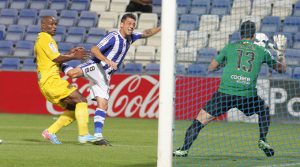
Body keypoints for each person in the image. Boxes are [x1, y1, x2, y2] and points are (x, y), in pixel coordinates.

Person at [173, 21, 287, 157]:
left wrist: (225, 63)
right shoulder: (261, 51)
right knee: (264, 110)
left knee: (199, 120)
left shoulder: (230, 47)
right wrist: (280, 53)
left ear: (240, 33)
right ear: (254, 35)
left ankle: (184, 149)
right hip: (247, 95)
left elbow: (212, 67)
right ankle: (263, 139)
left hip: (225, 93)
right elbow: (281, 69)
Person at [61, 13, 161, 145]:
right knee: (73, 74)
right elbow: (94, 49)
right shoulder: (113, 37)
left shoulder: (131, 38)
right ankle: (59, 63)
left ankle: (97, 136)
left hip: (105, 75)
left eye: (133, 24)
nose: (131, 26)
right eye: (129, 24)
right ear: (121, 24)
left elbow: (146, 33)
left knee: (103, 104)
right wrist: (107, 60)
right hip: (97, 66)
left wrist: (162, 27)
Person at [34, 16, 98, 144]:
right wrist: (74, 56)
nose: (54, 26)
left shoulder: (45, 39)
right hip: (51, 81)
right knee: (81, 100)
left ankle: (50, 132)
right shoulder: (45, 38)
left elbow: (53, 58)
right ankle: (84, 134)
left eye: (55, 24)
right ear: (43, 26)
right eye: (51, 24)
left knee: (75, 108)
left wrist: (69, 53)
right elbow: (57, 59)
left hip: (48, 82)